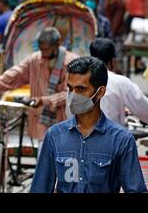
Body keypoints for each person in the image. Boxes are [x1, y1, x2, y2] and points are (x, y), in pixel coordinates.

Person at [31, 56, 147, 193]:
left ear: (100, 93)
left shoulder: (121, 140)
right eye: (70, 89)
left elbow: (135, 189)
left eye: (81, 89)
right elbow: (40, 188)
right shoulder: (54, 136)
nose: (73, 96)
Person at [0, 27, 78, 144]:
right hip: (42, 124)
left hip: (65, 122)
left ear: (57, 44)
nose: (44, 56)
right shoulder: (35, 60)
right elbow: (13, 76)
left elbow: (71, 94)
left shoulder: (72, 63)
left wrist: (43, 101)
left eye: (47, 50)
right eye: (42, 50)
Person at [85, 38, 148, 126]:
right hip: (110, 137)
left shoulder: (79, 79)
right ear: (112, 61)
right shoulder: (120, 82)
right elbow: (144, 110)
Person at [103, 0, 126, 72]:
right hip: (109, 33)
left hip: (117, 34)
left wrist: (110, 33)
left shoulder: (118, 1)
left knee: (118, 58)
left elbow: (117, 20)